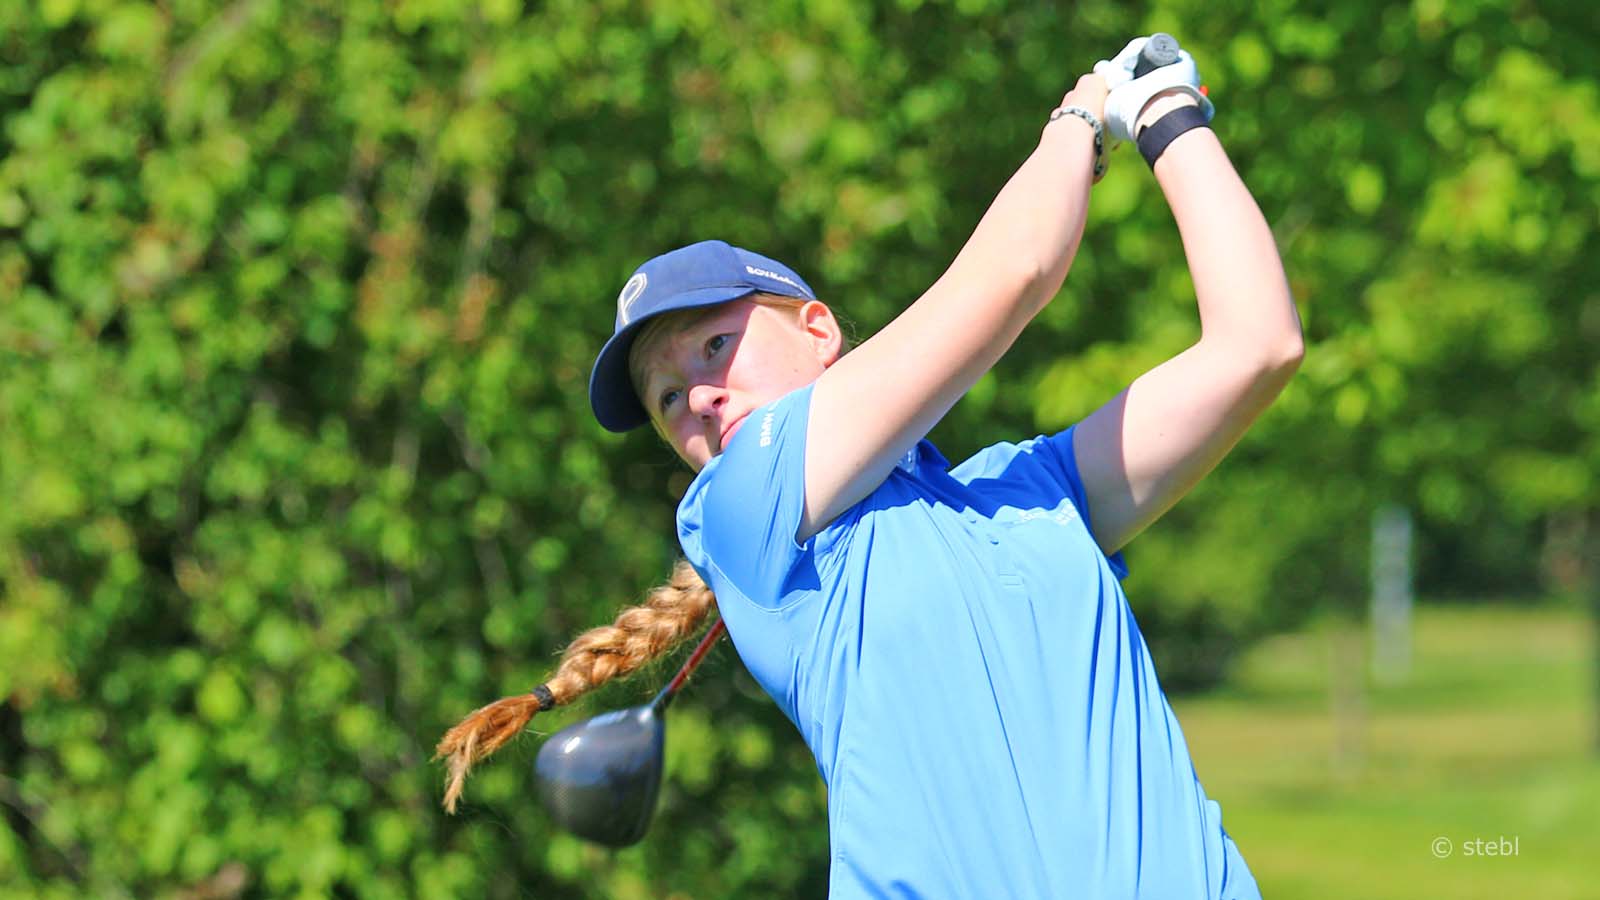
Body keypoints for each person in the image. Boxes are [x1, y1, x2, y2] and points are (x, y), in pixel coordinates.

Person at [438, 36, 1301, 899]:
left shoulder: (1031, 493)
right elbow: (1014, 272)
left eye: (715, 346)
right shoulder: (736, 513)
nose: (699, 396)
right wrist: (1081, 115)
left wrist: (1165, 115)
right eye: (667, 398)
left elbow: (1257, 346)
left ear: (820, 332)